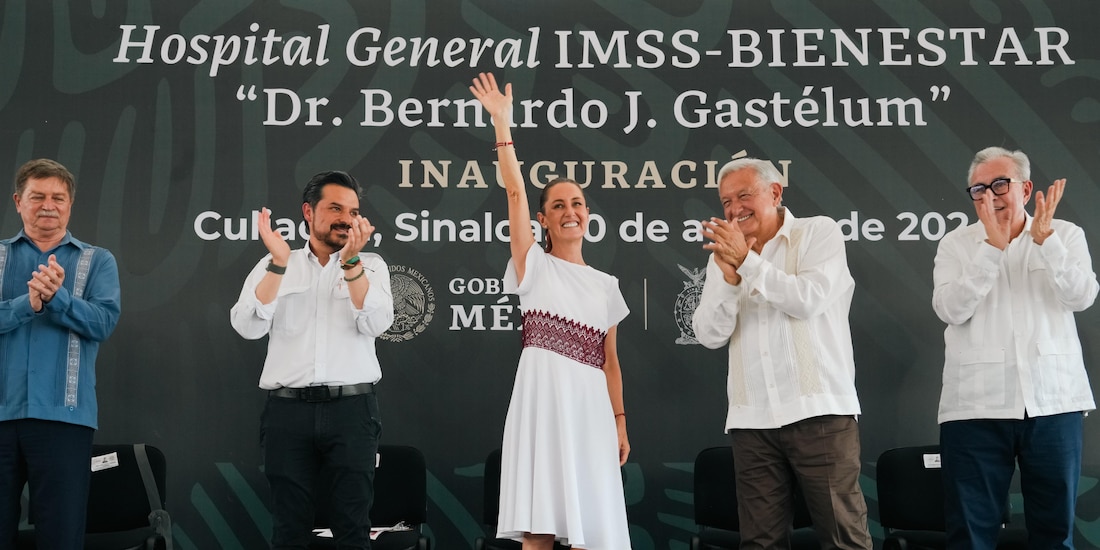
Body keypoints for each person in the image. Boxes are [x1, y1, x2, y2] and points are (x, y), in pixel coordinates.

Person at [469, 73, 632, 550]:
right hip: (541, 407)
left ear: (588, 214)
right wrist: (503, 124)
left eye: (578, 203)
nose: (570, 210)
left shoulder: (606, 286)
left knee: (591, 533)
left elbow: (609, 362)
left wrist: (620, 421)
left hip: (590, 413)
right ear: (543, 219)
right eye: (558, 204)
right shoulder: (533, 265)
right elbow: (515, 192)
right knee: (537, 533)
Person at [691, 157, 872, 550]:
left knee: (844, 539)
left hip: (819, 412)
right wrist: (727, 278)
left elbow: (808, 300)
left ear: (775, 193)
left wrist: (747, 263)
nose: (734, 209)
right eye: (725, 202)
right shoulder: (723, 256)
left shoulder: (817, 233)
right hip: (751, 418)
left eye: (744, 196)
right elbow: (708, 334)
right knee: (760, 544)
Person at [932, 146, 1098, 549]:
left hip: (1053, 403)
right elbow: (950, 309)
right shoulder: (957, 245)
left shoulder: (1066, 234)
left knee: (1054, 532)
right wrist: (991, 248)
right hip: (975, 407)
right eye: (979, 189)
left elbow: (1082, 296)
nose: (990, 196)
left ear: (1025, 188)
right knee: (970, 533)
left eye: (1000, 184)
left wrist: (1046, 242)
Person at [230, 170, 394, 549]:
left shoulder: (372, 265)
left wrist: (351, 263)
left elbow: (376, 323)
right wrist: (278, 264)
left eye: (353, 211)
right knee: (289, 530)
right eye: (335, 208)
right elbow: (247, 325)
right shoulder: (276, 262)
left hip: (353, 410)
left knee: (353, 529)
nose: (346, 218)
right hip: (288, 412)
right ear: (308, 211)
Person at [0, 158, 121, 548]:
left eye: (58, 197)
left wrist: (57, 298)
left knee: (61, 535)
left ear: (70, 205)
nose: (47, 205)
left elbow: (103, 323)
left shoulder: (97, 260)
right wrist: (29, 303)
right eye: (37, 196)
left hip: (64, 420)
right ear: (18, 201)